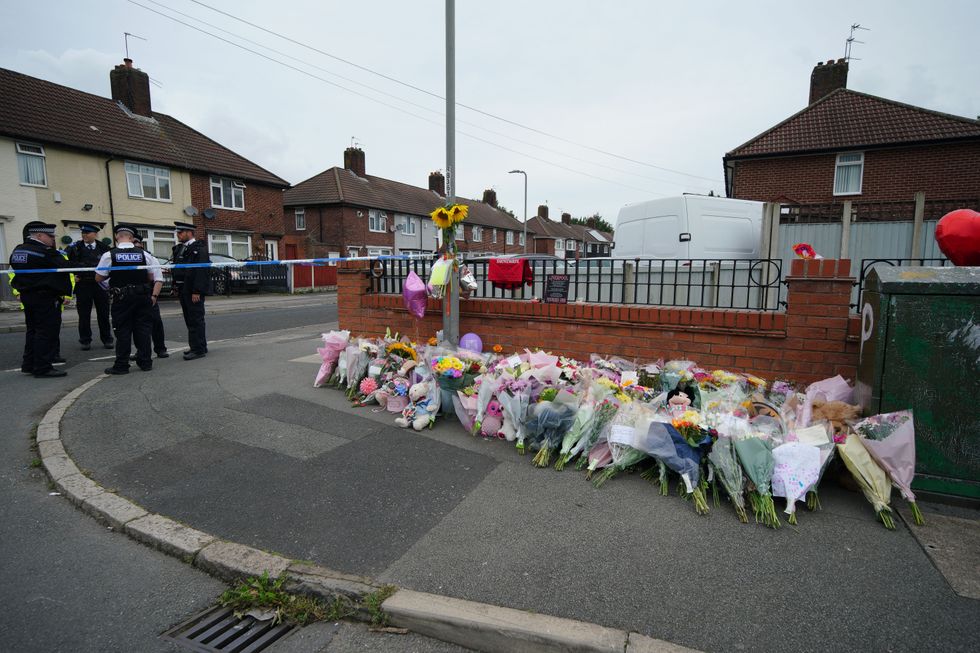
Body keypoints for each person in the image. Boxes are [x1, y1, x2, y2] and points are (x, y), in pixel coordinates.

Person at [8, 221, 73, 378]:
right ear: (39, 235)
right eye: (50, 236)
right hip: (45, 297)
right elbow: (66, 266)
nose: (52, 239)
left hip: (28, 296)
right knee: (46, 332)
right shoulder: (45, 251)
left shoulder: (19, 250)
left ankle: (29, 364)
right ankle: (43, 367)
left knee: (32, 330)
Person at [95, 224, 162, 374]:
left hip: (122, 298)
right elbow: (151, 276)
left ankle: (122, 365)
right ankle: (146, 362)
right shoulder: (144, 255)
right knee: (143, 329)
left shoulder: (109, 255)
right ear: (132, 238)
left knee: (123, 331)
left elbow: (99, 277)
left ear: (117, 237)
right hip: (142, 297)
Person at [65, 223, 113, 351]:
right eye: (83, 233)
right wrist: (76, 272)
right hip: (83, 283)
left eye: (87, 233)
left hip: (100, 284)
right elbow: (65, 262)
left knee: (103, 313)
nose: (84, 235)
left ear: (95, 234)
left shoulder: (104, 248)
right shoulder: (75, 248)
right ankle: (85, 340)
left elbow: (111, 264)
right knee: (84, 314)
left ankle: (107, 338)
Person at [171, 221, 209, 360]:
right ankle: (198, 345)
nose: (178, 235)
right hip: (183, 289)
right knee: (189, 319)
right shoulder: (181, 248)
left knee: (195, 320)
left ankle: (198, 349)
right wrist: (175, 286)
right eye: (177, 232)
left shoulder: (199, 249)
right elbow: (178, 269)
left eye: (180, 232)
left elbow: (201, 272)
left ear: (189, 232)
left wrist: (197, 291)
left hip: (193, 290)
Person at [132, 234, 169, 358]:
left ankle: (160, 349)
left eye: (137, 244)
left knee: (156, 323)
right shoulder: (125, 258)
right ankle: (140, 351)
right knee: (137, 326)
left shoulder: (149, 258)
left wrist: (154, 296)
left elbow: (158, 280)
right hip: (133, 296)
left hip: (148, 294)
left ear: (141, 245)